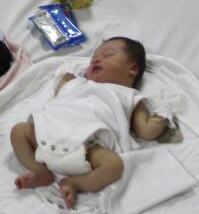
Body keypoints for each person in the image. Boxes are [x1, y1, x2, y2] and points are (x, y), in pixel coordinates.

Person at [10, 38, 169, 209]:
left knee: (115, 166)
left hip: (88, 146)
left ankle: (75, 183)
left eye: (107, 55)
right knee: (18, 131)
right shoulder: (78, 83)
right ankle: (40, 172)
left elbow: (146, 130)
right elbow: (61, 89)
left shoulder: (129, 96)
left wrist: (163, 117)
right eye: (94, 57)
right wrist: (67, 77)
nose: (96, 59)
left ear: (132, 69)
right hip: (49, 131)